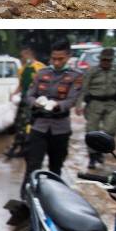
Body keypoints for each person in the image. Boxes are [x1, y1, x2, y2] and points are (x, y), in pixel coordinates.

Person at [23, 40, 84, 177]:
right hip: (39, 126)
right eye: (53, 58)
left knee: (55, 168)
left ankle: (52, 195)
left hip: (60, 128)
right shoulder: (41, 73)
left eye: (60, 59)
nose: (56, 62)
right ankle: (27, 195)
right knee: (32, 165)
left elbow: (72, 100)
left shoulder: (76, 76)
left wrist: (58, 105)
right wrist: (36, 102)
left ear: (68, 56)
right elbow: (29, 95)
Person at [6, 44, 45, 158]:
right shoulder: (22, 69)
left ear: (29, 53)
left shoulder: (40, 67)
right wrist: (13, 94)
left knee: (29, 125)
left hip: (34, 101)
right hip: (24, 100)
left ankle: (26, 148)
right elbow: (21, 85)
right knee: (19, 124)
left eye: (23, 55)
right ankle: (19, 146)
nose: (21, 58)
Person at [82, 48, 116, 169]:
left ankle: (101, 151)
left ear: (112, 60)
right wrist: (80, 105)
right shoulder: (93, 71)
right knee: (92, 130)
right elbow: (84, 88)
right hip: (95, 102)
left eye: (108, 60)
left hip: (111, 103)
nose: (105, 62)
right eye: (103, 60)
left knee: (110, 129)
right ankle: (93, 157)